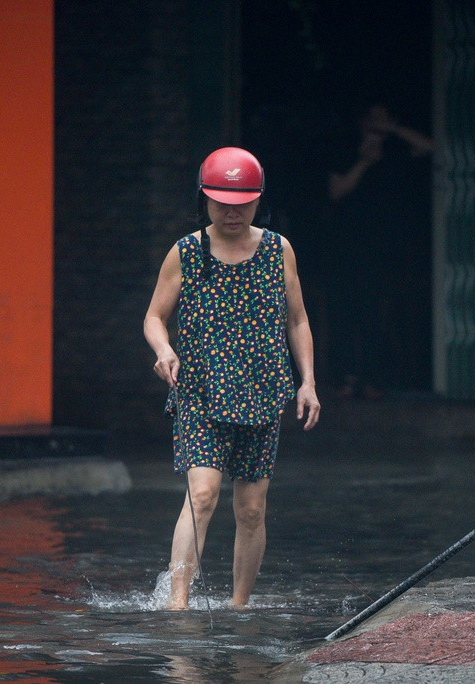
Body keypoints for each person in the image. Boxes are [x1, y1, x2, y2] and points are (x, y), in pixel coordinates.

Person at [143, 146, 321, 610]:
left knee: (251, 509)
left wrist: (308, 382)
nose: (232, 210)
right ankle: (177, 607)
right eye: (221, 200)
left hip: (262, 393)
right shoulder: (186, 252)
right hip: (200, 392)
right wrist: (164, 350)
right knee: (202, 495)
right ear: (204, 199)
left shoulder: (278, 250)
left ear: (258, 200)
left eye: (242, 201)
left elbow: (297, 320)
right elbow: (154, 317)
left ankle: (239, 606)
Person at [325, 103, 434, 399]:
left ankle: (373, 379)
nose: (378, 125)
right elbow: (336, 191)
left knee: (375, 315)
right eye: (373, 119)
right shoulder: (345, 150)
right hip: (346, 248)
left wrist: (394, 130)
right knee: (345, 313)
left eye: (383, 119)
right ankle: (347, 378)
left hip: (383, 249)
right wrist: (363, 162)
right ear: (362, 122)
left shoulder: (396, 151)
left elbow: (429, 148)